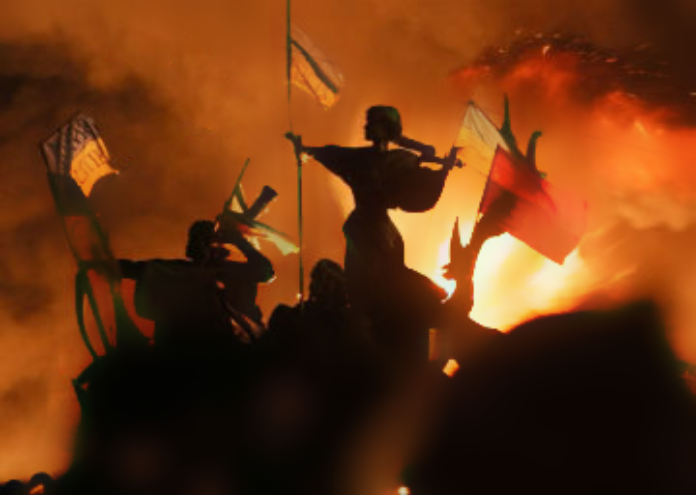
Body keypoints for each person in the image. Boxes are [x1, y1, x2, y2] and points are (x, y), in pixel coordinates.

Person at [285, 106, 461, 366]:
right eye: (368, 122)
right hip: (366, 229)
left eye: (374, 123)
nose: (367, 127)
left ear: (386, 129)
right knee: (363, 286)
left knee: (419, 294)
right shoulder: (366, 159)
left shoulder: (397, 160)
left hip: (381, 232)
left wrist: (441, 168)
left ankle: (431, 358)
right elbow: (333, 153)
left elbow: (420, 183)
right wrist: (305, 149)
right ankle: (369, 326)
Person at [119, 213, 274, 351]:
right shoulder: (174, 269)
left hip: (225, 348)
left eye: (206, 240)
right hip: (182, 347)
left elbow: (265, 271)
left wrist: (238, 240)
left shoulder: (230, 272)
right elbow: (134, 269)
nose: (199, 245)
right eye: (196, 239)